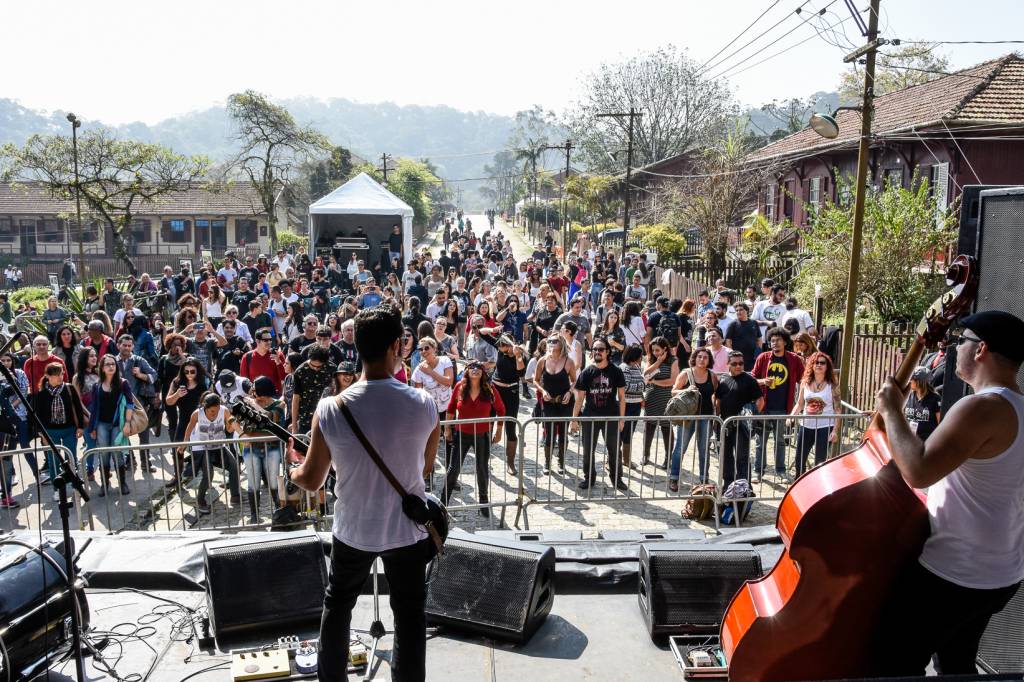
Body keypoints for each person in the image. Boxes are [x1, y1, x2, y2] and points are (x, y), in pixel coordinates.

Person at [288, 304, 439, 682]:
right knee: (408, 614)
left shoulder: (330, 409)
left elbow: (311, 480)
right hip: (406, 533)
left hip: (353, 529)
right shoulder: (424, 405)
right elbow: (424, 468)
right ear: (397, 347)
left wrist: (292, 468)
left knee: (337, 606)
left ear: (356, 348)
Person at [873, 311, 1024, 675]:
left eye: (961, 341)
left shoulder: (983, 408)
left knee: (893, 662)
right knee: (956, 663)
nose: (955, 348)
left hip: (955, 571)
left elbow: (919, 470)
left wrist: (893, 412)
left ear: (981, 349)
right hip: (1001, 571)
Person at [444, 360, 505, 517]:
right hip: (461, 434)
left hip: (482, 435)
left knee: (482, 469)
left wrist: (498, 430)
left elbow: (501, 409)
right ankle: (442, 502)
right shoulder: (459, 387)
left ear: (483, 373)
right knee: (453, 468)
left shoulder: (489, 389)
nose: (475, 369)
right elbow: (450, 408)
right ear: (467, 371)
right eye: (472, 367)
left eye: (479, 367)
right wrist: (447, 429)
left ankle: (484, 503)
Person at [571, 339, 626, 491]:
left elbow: (622, 397)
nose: (597, 352)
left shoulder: (616, 371)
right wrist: (574, 419)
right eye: (594, 349)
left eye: (600, 349)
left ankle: (617, 479)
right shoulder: (587, 372)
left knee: (614, 450)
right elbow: (580, 398)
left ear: (607, 351)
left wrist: (622, 418)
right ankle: (589, 478)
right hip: (590, 416)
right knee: (588, 450)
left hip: (611, 416)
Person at [178, 392, 241, 515]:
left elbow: (229, 429)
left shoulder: (224, 410)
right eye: (212, 411)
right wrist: (184, 444)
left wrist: (234, 424)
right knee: (209, 473)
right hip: (201, 446)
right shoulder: (197, 414)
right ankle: (200, 499)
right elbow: (189, 428)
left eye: (217, 410)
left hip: (218, 443)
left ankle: (235, 495)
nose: (215, 413)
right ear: (205, 408)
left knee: (233, 465)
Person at [32, 362, 85, 502]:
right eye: (56, 375)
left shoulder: (69, 389)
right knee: (53, 460)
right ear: (48, 376)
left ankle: (75, 486)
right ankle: (58, 490)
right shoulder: (42, 394)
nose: (60, 377)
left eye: (61, 374)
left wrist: (80, 427)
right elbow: (37, 416)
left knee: (71, 458)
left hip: (69, 429)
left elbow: (78, 408)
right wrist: (41, 434)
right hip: (50, 432)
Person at [87, 354, 138, 496]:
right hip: (102, 424)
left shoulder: (123, 383)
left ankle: (122, 483)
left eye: (113, 364)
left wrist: (127, 423)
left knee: (118, 454)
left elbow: (130, 404)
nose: (111, 366)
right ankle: (105, 484)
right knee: (103, 454)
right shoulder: (96, 386)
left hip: (118, 424)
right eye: (107, 364)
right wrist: (92, 427)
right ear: (102, 368)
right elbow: (95, 408)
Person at [239, 376, 286, 524]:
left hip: (272, 448)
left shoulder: (279, 404)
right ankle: (254, 515)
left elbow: (272, 421)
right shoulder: (248, 403)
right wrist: (245, 434)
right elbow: (244, 426)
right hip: (252, 449)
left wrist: (254, 407)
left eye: (255, 387)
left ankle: (279, 511)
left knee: (273, 482)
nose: (252, 391)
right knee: (253, 483)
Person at [669, 348, 718, 489]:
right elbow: (673, 391)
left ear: (709, 360)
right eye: (699, 357)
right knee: (680, 447)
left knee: (704, 449)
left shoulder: (712, 376)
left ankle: (704, 479)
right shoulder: (686, 373)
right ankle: (674, 477)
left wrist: (715, 414)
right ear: (694, 358)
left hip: (705, 416)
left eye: (705, 357)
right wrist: (687, 390)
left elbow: (714, 395)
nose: (702, 359)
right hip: (687, 416)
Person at [715, 351, 763, 488]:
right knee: (725, 456)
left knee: (742, 458)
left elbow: (760, 400)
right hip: (724, 424)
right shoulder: (723, 379)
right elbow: (717, 400)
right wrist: (715, 419)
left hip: (742, 426)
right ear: (728, 364)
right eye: (734, 363)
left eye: (741, 363)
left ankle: (743, 486)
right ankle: (728, 485)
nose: (738, 366)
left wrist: (752, 418)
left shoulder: (750, 380)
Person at [790, 351, 840, 478]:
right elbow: (800, 404)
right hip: (806, 425)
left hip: (825, 426)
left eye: (822, 363)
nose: (819, 365)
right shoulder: (805, 383)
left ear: (827, 366)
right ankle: (799, 483)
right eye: (816, 362)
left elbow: (838, 409)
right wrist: (791, 417)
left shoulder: (832, 386)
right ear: (811, 365)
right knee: (799, 458)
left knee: (820, 461)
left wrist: (835, 430)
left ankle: (818, 485)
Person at [535, 335, 576, 475]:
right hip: (548, 402)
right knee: (549, 434)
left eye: (555, 341)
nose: (552, 343)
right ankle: (547, 463)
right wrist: (542, 390)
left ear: (562, 343)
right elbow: (535, 380)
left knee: (563, 433)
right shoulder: (542, 360)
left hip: (565, 402)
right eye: (550, 341)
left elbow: (575, 380)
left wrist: (570, 392)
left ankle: (561, 463)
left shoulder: (569, 361)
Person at [490, 335, 526, 475]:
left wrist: (518, 356)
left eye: (502, 345)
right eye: (499, 345)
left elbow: (521, 372)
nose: (499, 348)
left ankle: (510, 463)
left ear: (510, 345)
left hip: (511, 393)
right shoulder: (500, 350)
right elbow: (482, 332)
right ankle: (484, 459)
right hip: (495, 391)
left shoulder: (519, 354)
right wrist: (493, 330)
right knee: (488, 424)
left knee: (510, 428)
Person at [642, 336, 678, 467]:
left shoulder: (673, 360)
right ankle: (645, 455)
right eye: (653, 350)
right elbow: (646, 374)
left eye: (658, 350)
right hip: (651, 397)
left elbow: (673, 380)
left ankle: (668, 458)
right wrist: (658, 362)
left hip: (666, 398)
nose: (655, 352)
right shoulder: (651, 359)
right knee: (649, 427)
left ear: (665, 348)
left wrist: (655, 381)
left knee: (666, 428)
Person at [291, 346, 333, 434]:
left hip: (326, 419)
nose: (315, 369)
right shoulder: (300, 372)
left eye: (319, 367)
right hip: (305, 420)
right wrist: (294, 426)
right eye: (313, 365)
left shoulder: (332, 369)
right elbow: (295, 399)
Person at [905, 366, 942, 441]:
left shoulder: (935, 399)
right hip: (909, 440)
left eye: (911, 379)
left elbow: (940, 424)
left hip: (927, 442)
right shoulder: (908, 396)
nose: (909, 381)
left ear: (919, 381)